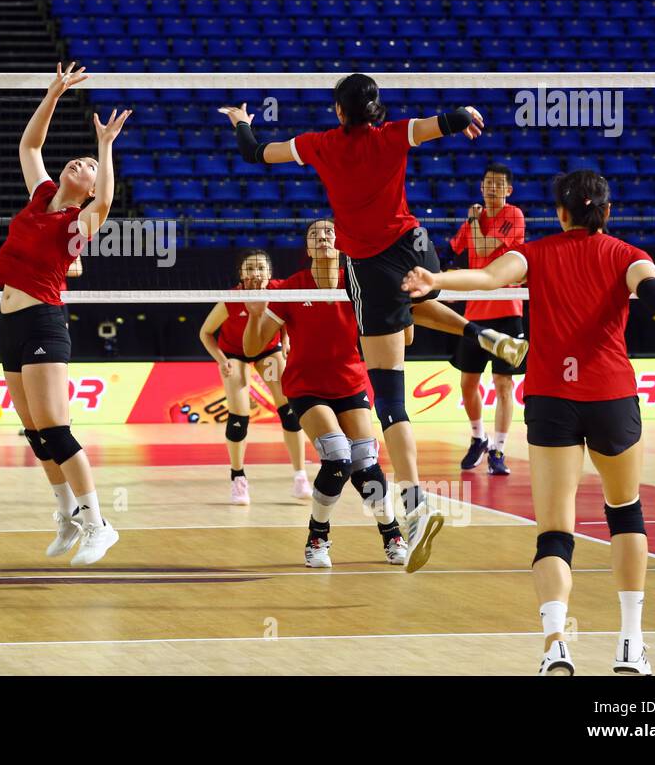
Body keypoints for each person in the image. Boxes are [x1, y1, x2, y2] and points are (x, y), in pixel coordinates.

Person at [402, 169, 655, 675]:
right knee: (625, 512)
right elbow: (654, 292)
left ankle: (554, 644)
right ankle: (630, 643)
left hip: (550, 399)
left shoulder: (536, 254)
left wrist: (436, 280)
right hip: (610, 397)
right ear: (606, 212)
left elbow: (487, 278)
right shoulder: (627, 254)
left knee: (554, 532)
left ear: (559, 212)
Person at [221, 74, 526, 573]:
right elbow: (441, 124)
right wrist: (465, 116)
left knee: (391, 401)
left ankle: (414, 504)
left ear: (339, 113)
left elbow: (256, 154)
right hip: (413, 246)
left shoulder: (318, 144)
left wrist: (241, 124)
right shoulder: (393, 134)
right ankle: (476, 330)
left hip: (366, 262)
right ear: (377, 109)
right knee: (417, 296)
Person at [0, 62, 128, 566]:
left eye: (87, 165)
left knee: (56, 427)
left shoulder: (79, 220)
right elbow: (29, 147)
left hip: (45, 320)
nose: (79, 163)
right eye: (79, 159)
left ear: (89, 186)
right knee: (34, 430)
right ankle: (67, 514)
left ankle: (98, 523)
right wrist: (53, 93)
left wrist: (106, 145)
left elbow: (108, 201)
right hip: (10, 323)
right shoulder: (42, 196)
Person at [243, 219, 408, 568]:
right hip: (305, 386)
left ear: (341, 243)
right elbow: (253, 346)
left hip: (350, 384)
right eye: (315, 234)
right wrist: (255, 316)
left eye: (330, 232)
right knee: (337, 456)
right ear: (307, 248)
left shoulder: (358, 285)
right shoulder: (291, 288)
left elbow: (404, 337)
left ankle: (391, 534)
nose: (323, 237)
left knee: (365, 461)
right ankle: (317, 536)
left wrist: (400, 306)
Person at [197, 250, 310, 504]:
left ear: (269, 273)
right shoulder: (233, 298)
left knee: (290, 410)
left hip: (267, 350)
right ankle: (238, 478)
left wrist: (286, 340)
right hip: (234, 354)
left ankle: (300, 476)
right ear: (242, 274)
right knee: (239, 416)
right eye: (249, 268)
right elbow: (205, 333)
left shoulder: (279, 291)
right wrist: (222, 360)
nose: (255, 272)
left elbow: (287, 319)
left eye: (260, 268)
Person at [448, 163, 527, 474]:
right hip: (474, 313)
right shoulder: (473, 221)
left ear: (508, 190)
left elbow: (481, 246)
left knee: (503, 382)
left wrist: (471, 220)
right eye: (487, 183)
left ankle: (499, 449)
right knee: (468, 382)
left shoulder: (513, 216)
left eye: (498, 184)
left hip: (507, 311)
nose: (491, 188)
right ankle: (478, 437)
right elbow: (457, 250)